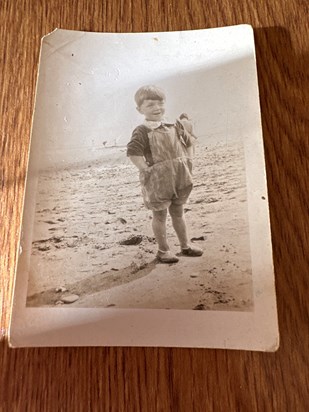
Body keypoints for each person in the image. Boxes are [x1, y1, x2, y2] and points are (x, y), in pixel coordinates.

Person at [127, 85, 203, 263]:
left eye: (160, 103)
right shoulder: (142, 130)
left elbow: (189, 142)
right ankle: (163, 250)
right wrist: (146, 169)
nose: (156, 108)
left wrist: (189, 160)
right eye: (150, 105)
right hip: (158, 180)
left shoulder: (174, 125)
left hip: (179, 176)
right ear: (140, 109)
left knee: (178, 211)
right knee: (160, 215)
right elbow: (133, 152)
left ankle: (185, 246)